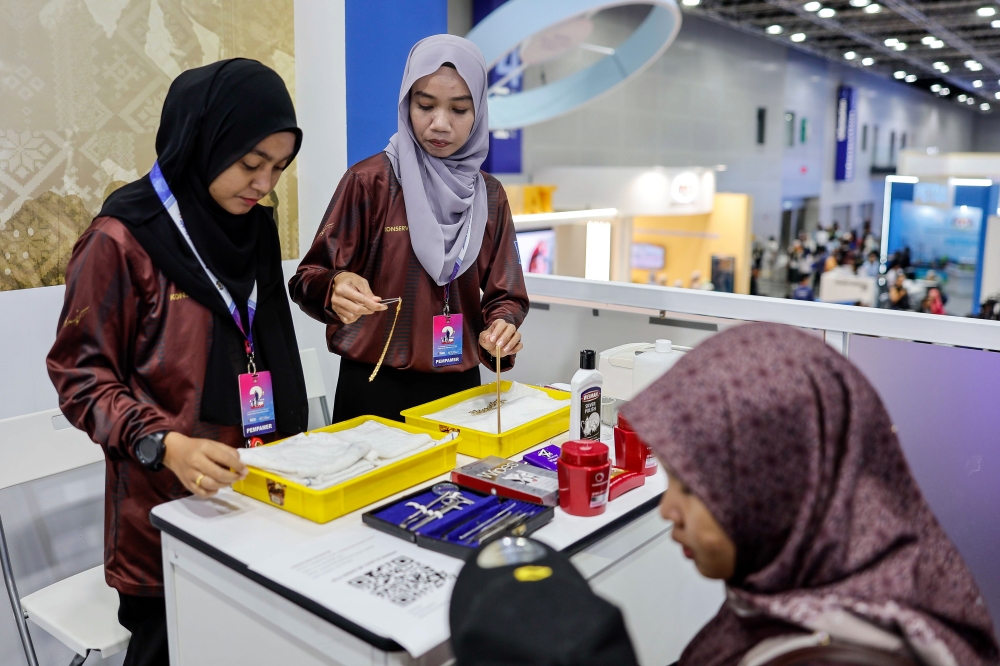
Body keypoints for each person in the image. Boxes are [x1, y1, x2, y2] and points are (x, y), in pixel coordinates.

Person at [46, 59, 309, 665]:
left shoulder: (253, 229)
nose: (265, 183)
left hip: (260, 497)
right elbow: (80, 377)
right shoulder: (120, 239)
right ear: (203, 140)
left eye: (278, 167)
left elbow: (265, 348)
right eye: (251, 163)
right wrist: (166, 444)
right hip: (165, 514)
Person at [622, 323, 999, 666]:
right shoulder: (800, 601)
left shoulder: (827, 657)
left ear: (775, 491)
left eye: (690, 488)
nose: (667, 510)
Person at [290, 36, 528, 422]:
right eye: (425, 105)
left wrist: (502, 325)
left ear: (479, 111)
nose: (440, 124)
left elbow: (508, 293)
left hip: (459, 390)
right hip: (374, 387)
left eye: (459, 109)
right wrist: (333, 287)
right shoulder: (370, 182)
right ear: (406, 104)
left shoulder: (489, 195)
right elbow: (307, 278)